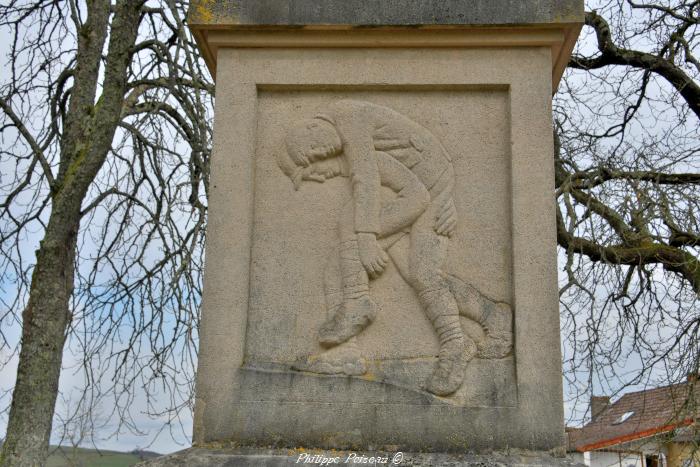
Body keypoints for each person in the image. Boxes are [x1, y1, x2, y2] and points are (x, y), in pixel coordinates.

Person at [278, 100, 476, 396]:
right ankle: (345, 353)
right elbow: (354, 167)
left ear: (311, 127)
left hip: (428, 186)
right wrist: (317, 172)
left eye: (313, 150)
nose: (319, 155)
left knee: (414, 268)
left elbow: (366, 177)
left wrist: (368, 238)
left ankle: (454, 343)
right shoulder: (346, 139)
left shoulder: (349, 119)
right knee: (364, 267)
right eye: (313, 159)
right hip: (412, 183)